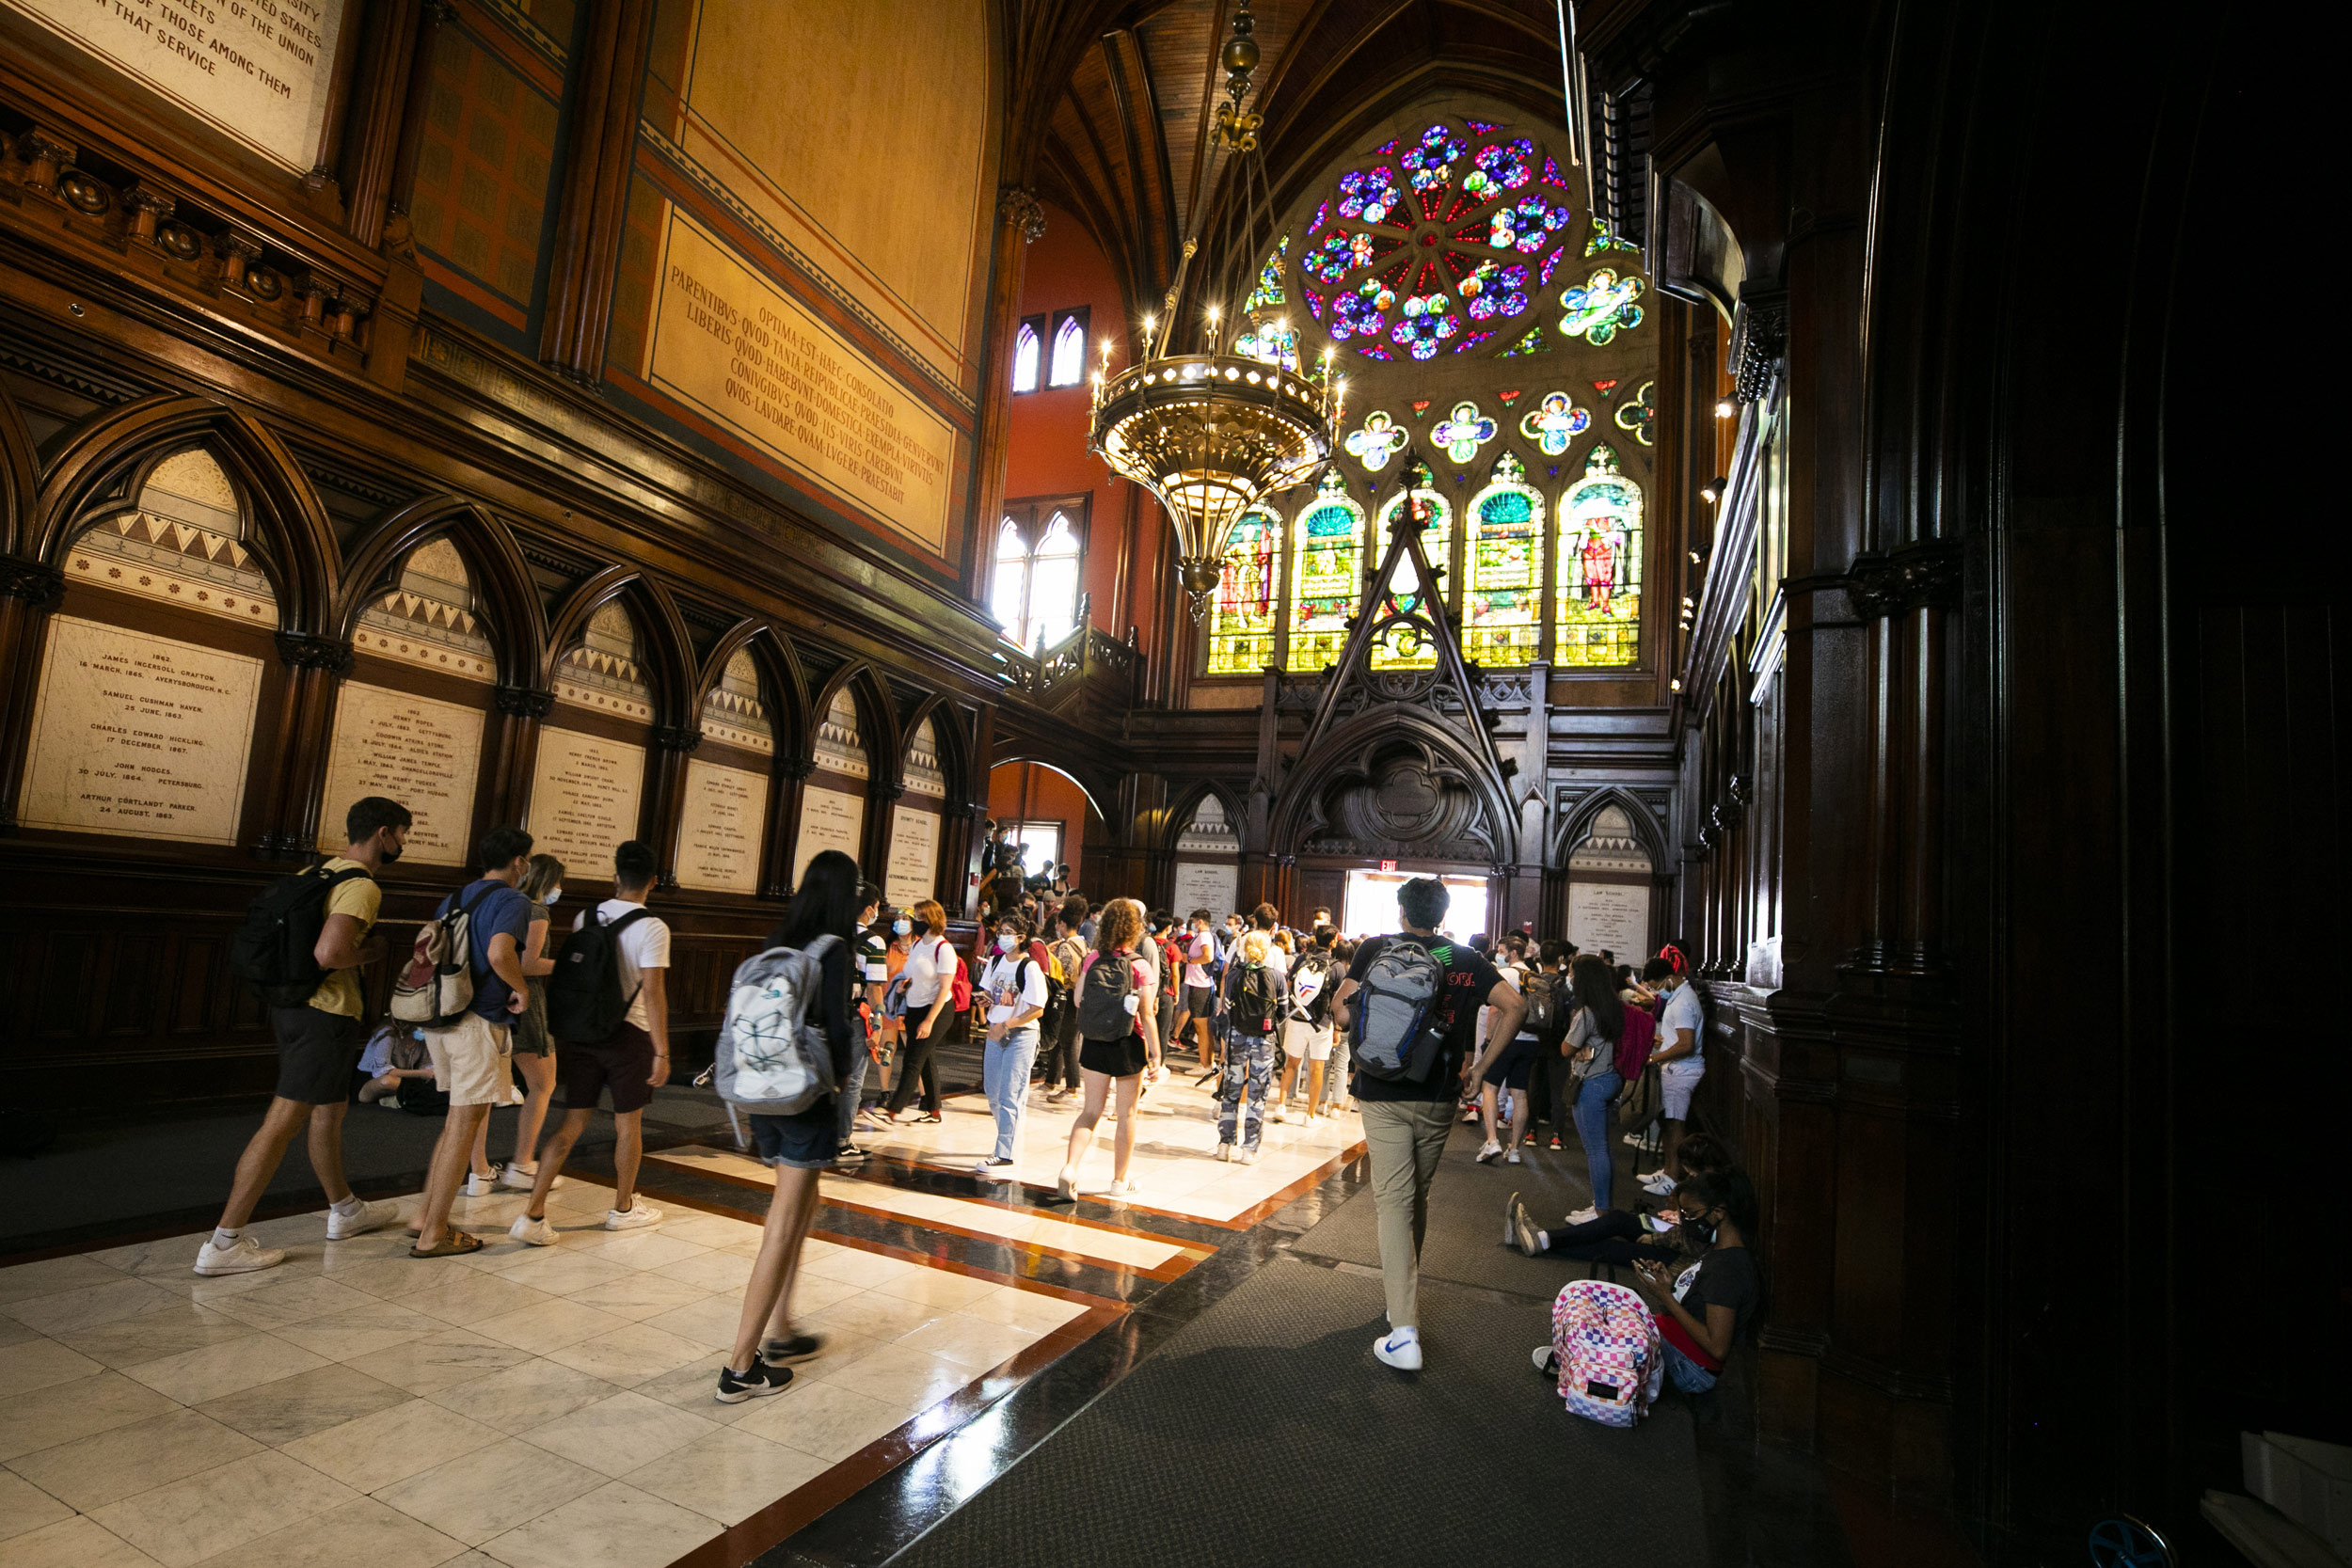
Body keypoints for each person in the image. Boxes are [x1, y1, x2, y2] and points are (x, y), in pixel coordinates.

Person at [196, 797, 411, 1275]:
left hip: (293, 1008)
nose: (403, 843)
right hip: (324, 1014)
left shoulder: (318, 871)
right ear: (383, 834)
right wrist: (371, 952)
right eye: (402, 834)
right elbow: (330, 953)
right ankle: (224, 1242)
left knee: (328, 1112)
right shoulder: (361, 886)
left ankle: (346, 1210)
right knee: (282, 1121)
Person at [1329, 877, 1524, 1371]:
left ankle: (1404, 1333)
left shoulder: (1375, 948)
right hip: (1439, 1095)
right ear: (1442, 913)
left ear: (1401, 911)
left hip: (1381, 1090)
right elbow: (1516, 1007)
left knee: (1394, 1203)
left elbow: (1342, 1015)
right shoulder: (1464, 960)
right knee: (1416, 1196)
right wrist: (1480, 1069)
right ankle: (1401, 1306)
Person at [713, 849, 864, 1402]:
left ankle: (781, 1329)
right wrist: (846, 1082)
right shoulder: (834, 950)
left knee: (802, 1204)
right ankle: (739, 1366)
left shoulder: (776, 943)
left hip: (760, 1093)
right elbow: (839, 1028)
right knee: (781, 1223)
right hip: (804, 1096)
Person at [507, 840, 671, 1245]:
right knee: (627, 1124)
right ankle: (623, 1207)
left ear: (615, 877)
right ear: (652, 881)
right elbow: (653, 993)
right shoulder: (653, 927)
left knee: (572, 1122)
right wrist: (663, 1050)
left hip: (581, 1034)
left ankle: (532, 1214)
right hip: (628, 1036)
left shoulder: (587, 917)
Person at [411, 827, 536, 1258]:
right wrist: (521, 989)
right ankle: (434, 1234)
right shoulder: (513, 900)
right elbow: (502, 953)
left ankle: (423, 1216)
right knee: (465, 1124)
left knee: (455, 1122)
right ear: (519, 861)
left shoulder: (456, 898)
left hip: (442, 1019)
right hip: (479, 1019)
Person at [1058, 897, 1160, 1199]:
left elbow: (1078, 1001)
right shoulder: (1139, 965)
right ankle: (1119, 1181)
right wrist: (1156, 1054)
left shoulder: (1092, 960)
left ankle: (1070, 1168)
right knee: (1126, 1113)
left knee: (1090, 1111)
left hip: (1093, 1040)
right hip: (1128, 1042)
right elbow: (1148, 1013)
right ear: (1134, 928)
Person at [1630, 1168, 1758, 1393]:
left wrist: (1666, 1297)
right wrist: (1670, 1285)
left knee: (1612, 1339)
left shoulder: (1728, 1270)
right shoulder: (1718, 1248)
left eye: (1690, 1214)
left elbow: (1717, 1347)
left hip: (1691, 1366)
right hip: (1677, 1342)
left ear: (1718, 1212)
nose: (1685, 1221)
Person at [489, 853, 566, 1194]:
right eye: (558, 882)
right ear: (547, 882)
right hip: (526, 1000)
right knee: (543, 1083)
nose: (559, 889)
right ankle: (522, 1162)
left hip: (495, 999)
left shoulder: (507, 905)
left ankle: (479, 1169)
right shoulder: (537, 911)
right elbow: (529, 963)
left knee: (482, 1093)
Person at [973, 911, 1049, 1178]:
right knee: (992, 1090)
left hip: (1021, 1035)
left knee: (1011, 1094)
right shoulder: (995, 962)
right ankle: (1010, 1136)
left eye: (1008, 933)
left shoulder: (1030, 967)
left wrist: (1007, 1024)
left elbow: (1037, 1008)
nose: (1002, 937)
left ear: (1021, 937)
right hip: (996, 1031)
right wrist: (985, 1001)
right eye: (1001, 932)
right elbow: (989, 992)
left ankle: (1005, 1153)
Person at [1556, 956, 1629, 1224]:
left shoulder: (1586, 1013)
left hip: (1591, 1083)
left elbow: (1566, 1048)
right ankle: (1601, 1204)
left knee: (1596, 1150)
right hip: (1610, 1078)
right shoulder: (1614, 1007)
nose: (1570, 978)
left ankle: (1601, 1212)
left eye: (1573, 973)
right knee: (1601, 1148)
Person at [1215, 921, 1286, 1163]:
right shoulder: (1276, 977)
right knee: (1257, 1095)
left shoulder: (1234, 974)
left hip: (1236, 1037)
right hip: (1264, 1040)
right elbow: (1282, 1012)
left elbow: (1225, 1007)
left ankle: (1225, 1144)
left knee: (1231, 1091)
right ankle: (1249, 1149)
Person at [885, 899, 957, 1123]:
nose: (915, 922)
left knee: (913, 1060)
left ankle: (893, 1110)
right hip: (915, 1007)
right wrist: (903, 984)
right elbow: (913, 973)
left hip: (937, 1009)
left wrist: (929, 1021)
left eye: (919, 918)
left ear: (932, 920)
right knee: (925, 1058)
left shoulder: (943, 948)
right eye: (914, 917)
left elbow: (945, 987)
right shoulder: (918, 945)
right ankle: (933, 1110)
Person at [1469, 946, 1538, 1165]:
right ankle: (1515, 1149)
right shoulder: (1534, 976)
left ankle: (1492, 1140)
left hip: (1506, 1039)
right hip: (1531, 1041)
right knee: (1520, 1094)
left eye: (1502, 950)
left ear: (1512, 953)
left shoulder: (1506, 974)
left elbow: (1496, 1010)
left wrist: (1488, 1041)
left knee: (1490, 1087)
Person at [834, 883, 887, 1164]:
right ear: (869, 909)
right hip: (854, 1016)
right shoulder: (873, 941)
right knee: (852, 1079)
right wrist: (877, 1025)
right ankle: (841, 1141)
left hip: (825, 1016)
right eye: (877, 909)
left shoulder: (829, 932)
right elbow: (874, 989)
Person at [1645, 955, 1706, 1188]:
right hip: (1676, 1068)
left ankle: (1673, 1178)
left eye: (1656, 986)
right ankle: (1668, 1170)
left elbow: (1686, 1044)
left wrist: (1654, 1058)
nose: (1657, 992)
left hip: (1682, 1071)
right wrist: (1664, 1042)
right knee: (1669, 1122)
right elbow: (1679, 1039)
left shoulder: (1683, 1002)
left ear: (1669, 979)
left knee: (1676, 1124)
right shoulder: (1679, 997)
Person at [1273, 924, 1339, 1122]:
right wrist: (1337, 1028)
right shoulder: (1336, 966)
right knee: (1317, 1068)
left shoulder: (1302, 959)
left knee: (1291, 1064)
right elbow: (1337, 1000)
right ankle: (1310, 1115)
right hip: (1322, 1023)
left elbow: (1289, 983)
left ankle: (1282, 1105)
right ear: (1333, 941)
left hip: (1297, 1017)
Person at [1522, 941, 1574, 1151]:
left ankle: (1531, 1133)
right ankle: (1556, 1137)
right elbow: (1572, 1015)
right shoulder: (1566, 986)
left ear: (1540, 959)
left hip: (1535, 1039)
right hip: (1559, 1042)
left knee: (1533, 1087)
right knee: (1558, 1089)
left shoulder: (1531, 982)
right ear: (1561, 959)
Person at [1043, 899, 1089, 1102]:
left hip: (1067, 996)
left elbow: (1062, 975)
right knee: (1061, 1040)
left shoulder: (1064, 947)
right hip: (1080, 996)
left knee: (1067, 1042)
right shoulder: (1083, 943)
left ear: (1062, 923)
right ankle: (1050, 1081)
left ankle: (1072, 1088)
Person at [1168, 910, 1218, 1071]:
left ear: (1201, 921)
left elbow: (1208, 957)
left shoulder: (1204, 936)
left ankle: (1204, 1065)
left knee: (1201, 1027)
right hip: (1201, 984)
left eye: (1195, 921)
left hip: (1200, 985)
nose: (1193, 924)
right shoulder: (1204, 936)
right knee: (1204, 1027)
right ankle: (1208, 1062)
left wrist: (1189, 960)